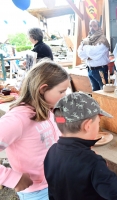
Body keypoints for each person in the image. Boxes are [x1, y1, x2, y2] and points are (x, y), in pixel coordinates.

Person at [44, 93, 117, 200]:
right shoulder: (94, 164)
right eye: (98, 122)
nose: (99, 126)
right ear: (87, 125)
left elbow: (53, 193)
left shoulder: (51, 152)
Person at [0, 60, 70, 199]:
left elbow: (59, 127)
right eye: (61, 91)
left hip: (58, 180)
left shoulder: (49, 109)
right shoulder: (17, 120)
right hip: (37, 191)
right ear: (43, 89)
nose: (65, 96)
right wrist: (11, 178)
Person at [78, 19, 111, 91]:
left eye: (94, 26)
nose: (92, 28)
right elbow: (80, 53)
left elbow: (95, 53)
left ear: (99, 27)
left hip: (100, 70)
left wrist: (85, 49)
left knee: (104, 93)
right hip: (90, 70)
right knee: (95, 93)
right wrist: (89, 53)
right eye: (90, 26)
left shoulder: (103, 39)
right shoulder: (87, 39)